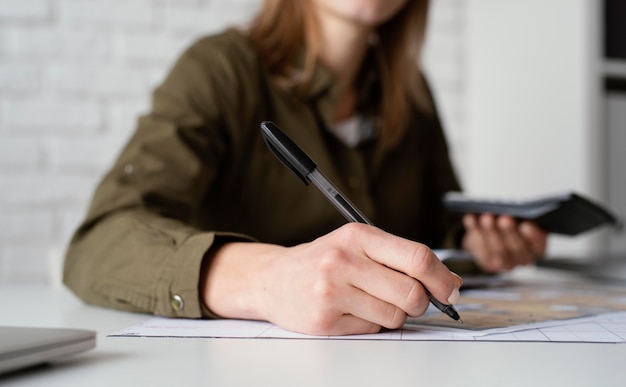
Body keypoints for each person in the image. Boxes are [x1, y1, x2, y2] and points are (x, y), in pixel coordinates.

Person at [63, 0, 547, 336]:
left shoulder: (411, 96)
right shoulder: (219, 71)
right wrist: (267, 280)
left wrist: (477, 243)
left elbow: (437, 228)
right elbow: (99, 244)